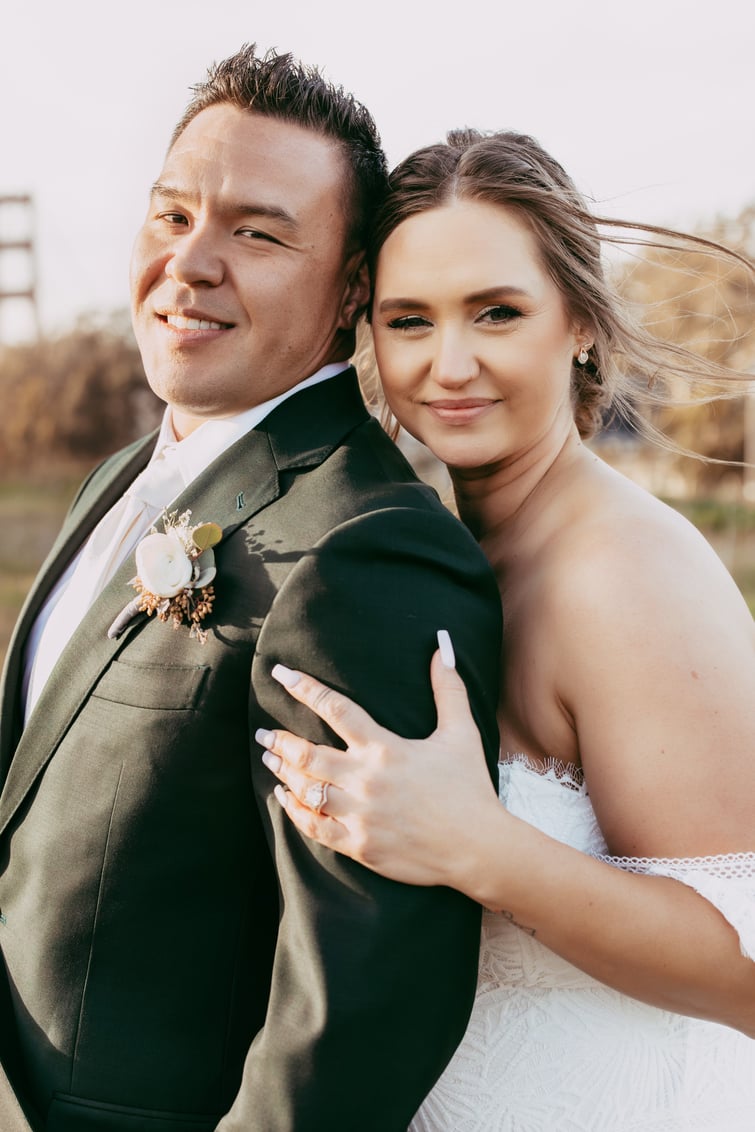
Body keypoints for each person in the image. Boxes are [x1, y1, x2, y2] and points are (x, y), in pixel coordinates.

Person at [0, 54, 503, 1132]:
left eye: (257, 233)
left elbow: (358, 1012)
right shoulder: (126, 475)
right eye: (172, 214)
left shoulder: (365, 548)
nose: (190, 260)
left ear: (353, 286)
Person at [258, 129, 755, 1130]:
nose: (449, 364)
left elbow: (741, 969)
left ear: (576, 320)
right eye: (408, 321)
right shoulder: (434, 551)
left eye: (495, 312)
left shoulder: (626, 571)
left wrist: (477, 846)